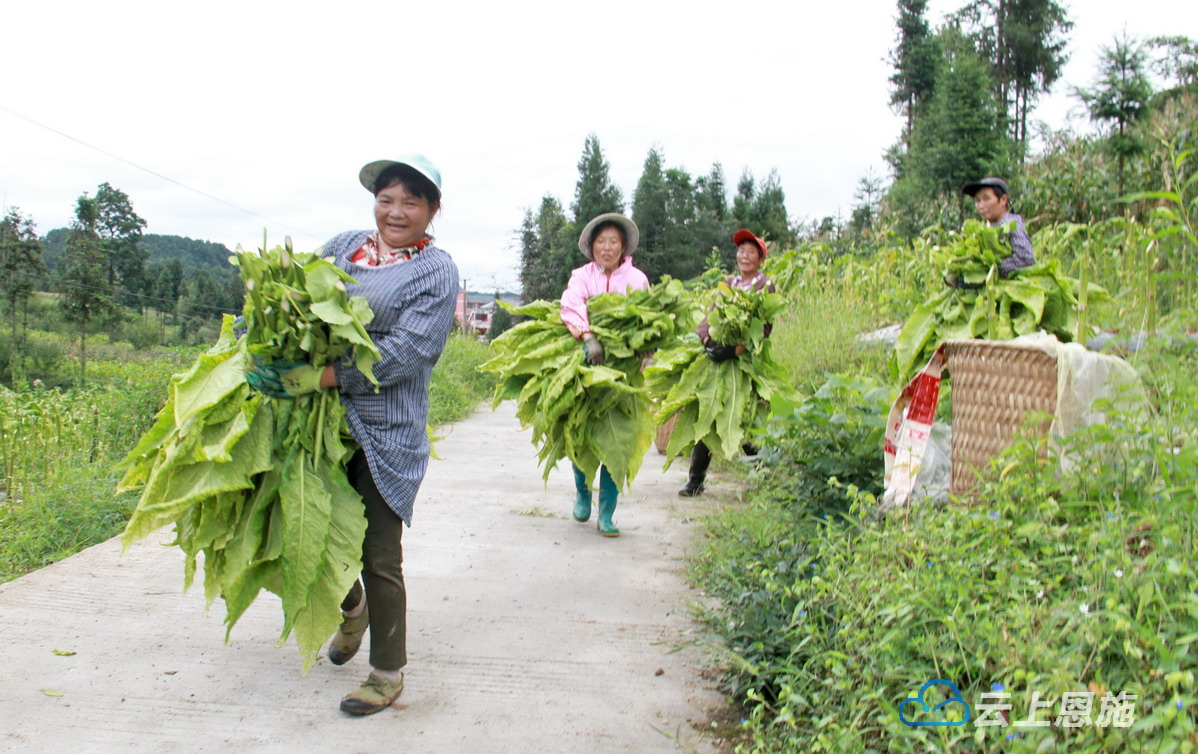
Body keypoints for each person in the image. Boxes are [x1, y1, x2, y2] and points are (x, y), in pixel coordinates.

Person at [249, 154, 458, 716]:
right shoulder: (343, 246)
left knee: (378, 553)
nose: (396, 211)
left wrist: (318, 376)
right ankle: (351, 610)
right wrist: (254, 342)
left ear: (432, 210)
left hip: (385, 431)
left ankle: (387, 672)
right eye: (387, 198)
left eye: (411, 201)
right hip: (315, 422)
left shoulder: (435, 271)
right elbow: (292, 296)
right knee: (303, 531)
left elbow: (408, 353)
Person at [559, 212, 650, 536]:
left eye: (613, 241)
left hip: (623, 374)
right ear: (591, 246)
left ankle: (607, 514)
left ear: (623, 246)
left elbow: (648, 319)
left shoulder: (637, 279)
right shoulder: (582, 276)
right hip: (586, 365)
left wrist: (643, 349)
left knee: (618, 441)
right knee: (581, 435)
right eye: (601, 242)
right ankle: (583, 495)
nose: (607, 248)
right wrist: (588, 336)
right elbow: (571, 303)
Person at [679, 228, 776, 498]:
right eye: (741, 251)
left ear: (760, 259)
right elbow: (709, 316)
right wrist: (708, 341)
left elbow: (764, 327)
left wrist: (736, 349)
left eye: (751, 252)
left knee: (741, 416)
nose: (744, 256)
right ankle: (695, 480)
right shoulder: (729, 283)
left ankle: (765, 478)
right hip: (717, 360)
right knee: (706, 414)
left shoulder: (763, 285)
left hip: (744, 362)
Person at [961, 177, 1035, 277]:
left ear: (1003, 200)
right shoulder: (982, 230)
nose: (981, 205)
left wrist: (987, 273)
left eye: (986, 199)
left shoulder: (1012, 224)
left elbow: (1025, 258)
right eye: (977, 201)